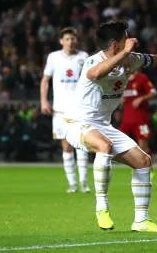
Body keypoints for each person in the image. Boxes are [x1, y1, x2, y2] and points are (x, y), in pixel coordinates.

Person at [64, 21, 157, 232]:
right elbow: (96, 74)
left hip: (102, 125)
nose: (131, 40)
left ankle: (141, 220)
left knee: (143, 161)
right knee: (105, 146)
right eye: (126, 37)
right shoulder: (92, 61)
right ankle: (101, 207)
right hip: (78, 123)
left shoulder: (131, 59)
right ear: (115, 44)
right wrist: (126, 53)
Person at [40, 27, 90, 193]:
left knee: (82, 145)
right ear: (61, 41)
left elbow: (92, 80)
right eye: (67, 39)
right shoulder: (54, 57)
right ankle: (72, 184)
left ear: (77, 40)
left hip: (80, 109)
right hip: (60, 109)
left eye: (73, 39)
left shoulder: (84, 57)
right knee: (67, 146)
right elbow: (45, 80)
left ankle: (84, 182)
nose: (70, 42)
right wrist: (44, 101)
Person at [120, 71, 157, 155]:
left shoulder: (142, 78)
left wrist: (141, 98)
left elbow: (153, 93)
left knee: (143, 146)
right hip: (126, 119)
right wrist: (120, 99)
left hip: (141, 119)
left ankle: (147, 166)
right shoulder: (122, 79)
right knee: (119, 144)